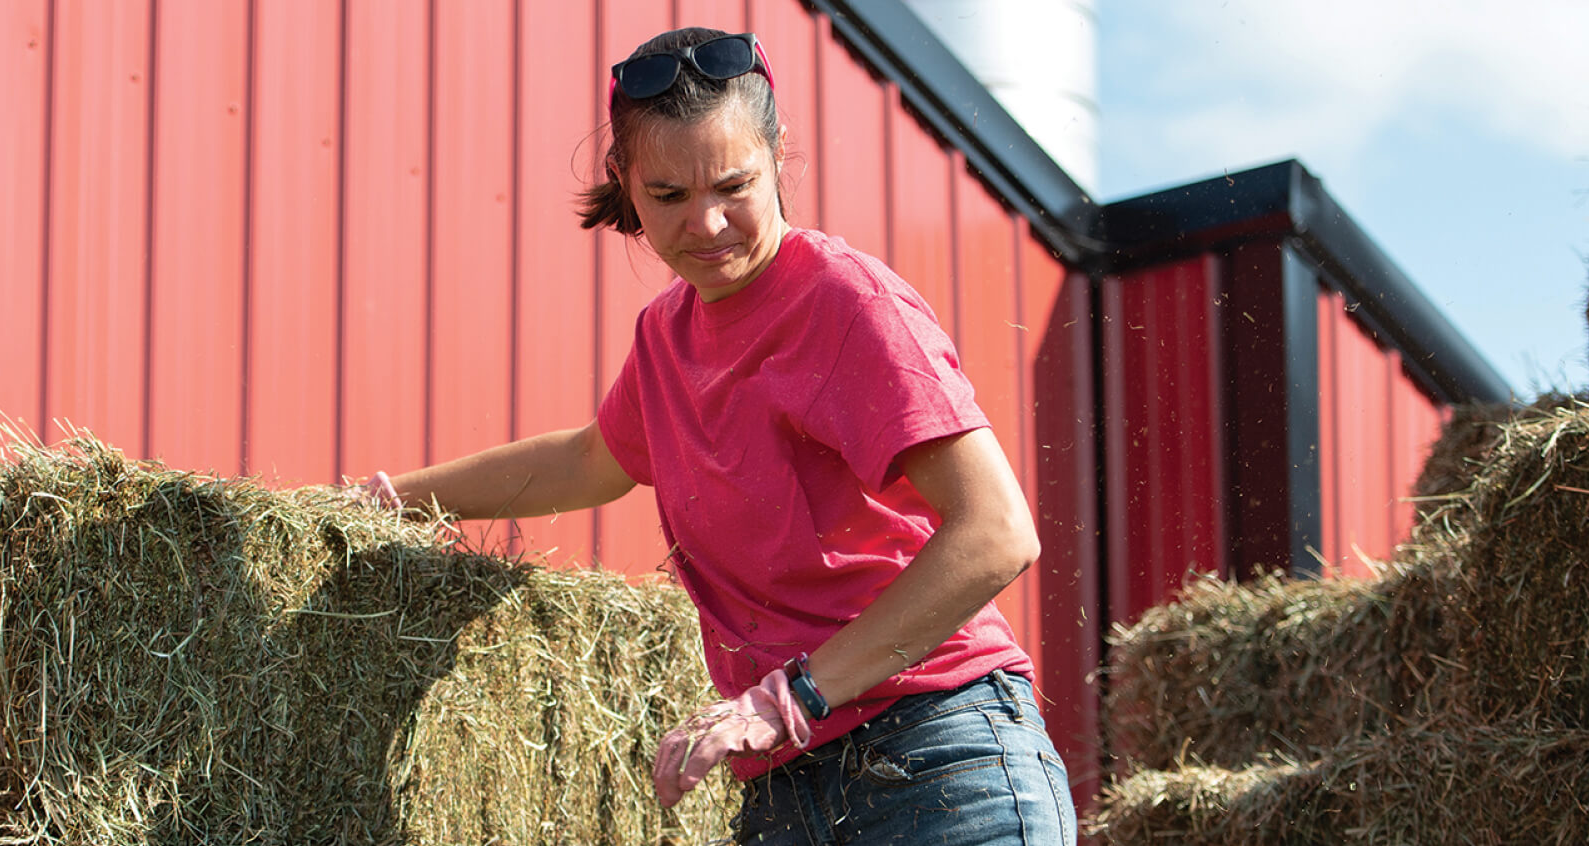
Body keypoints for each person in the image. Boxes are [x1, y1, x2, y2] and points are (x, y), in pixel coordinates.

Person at [364, 26, 1077, 844]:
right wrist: (395, 499)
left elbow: (997, 532)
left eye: (732, 185)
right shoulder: (666, 338)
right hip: (787, 789)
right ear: (624, 186)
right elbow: (590, 461)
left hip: (938, 759)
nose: (705, 224)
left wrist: (791, 698)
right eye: (667, 195)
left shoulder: (847, 303)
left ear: (779, 158)